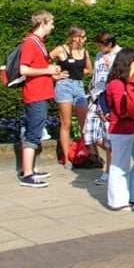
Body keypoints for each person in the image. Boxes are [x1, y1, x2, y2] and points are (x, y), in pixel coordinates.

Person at [17, 10, 63, 187]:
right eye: (51, 23)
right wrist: (48, 71)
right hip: (35, 94)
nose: (53, 26)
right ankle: (27, 173)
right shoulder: (30, 43)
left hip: (41, 92)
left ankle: (30, 168)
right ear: (43, 22)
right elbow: (24, 70)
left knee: (35, 130)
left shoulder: (38, 43)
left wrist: (51, 73)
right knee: (33, 132)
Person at [104, 48, 134, 211]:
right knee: (119, 165)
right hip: (120, 129)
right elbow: (120, 110)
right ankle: (117, 200)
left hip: (132, 128)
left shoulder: (126, 83)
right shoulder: (116, 84)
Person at [49, 26, 92, 170]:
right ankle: (67, 158)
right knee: (66, 122)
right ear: (74, 37)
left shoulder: (84, 51)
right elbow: (44, 60)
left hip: (78, 86)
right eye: (82, 36)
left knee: (84, 123)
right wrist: (54, 75)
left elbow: (89, 70)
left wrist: (79, 71)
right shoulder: (61, 49)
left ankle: (88, 154)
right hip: (64, 86)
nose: (84, 39)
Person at [87, 31, 120, 183]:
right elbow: (95, 75)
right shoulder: (99, 56)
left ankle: (109, 170)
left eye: (101, 45)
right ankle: (113, 159)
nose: (98, 48)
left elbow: (123, 76)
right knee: (89, 133)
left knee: (108, 136)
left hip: (109, 98)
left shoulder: (120, 54)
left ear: (110, 44)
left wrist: (110, 66)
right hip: (96, 96)